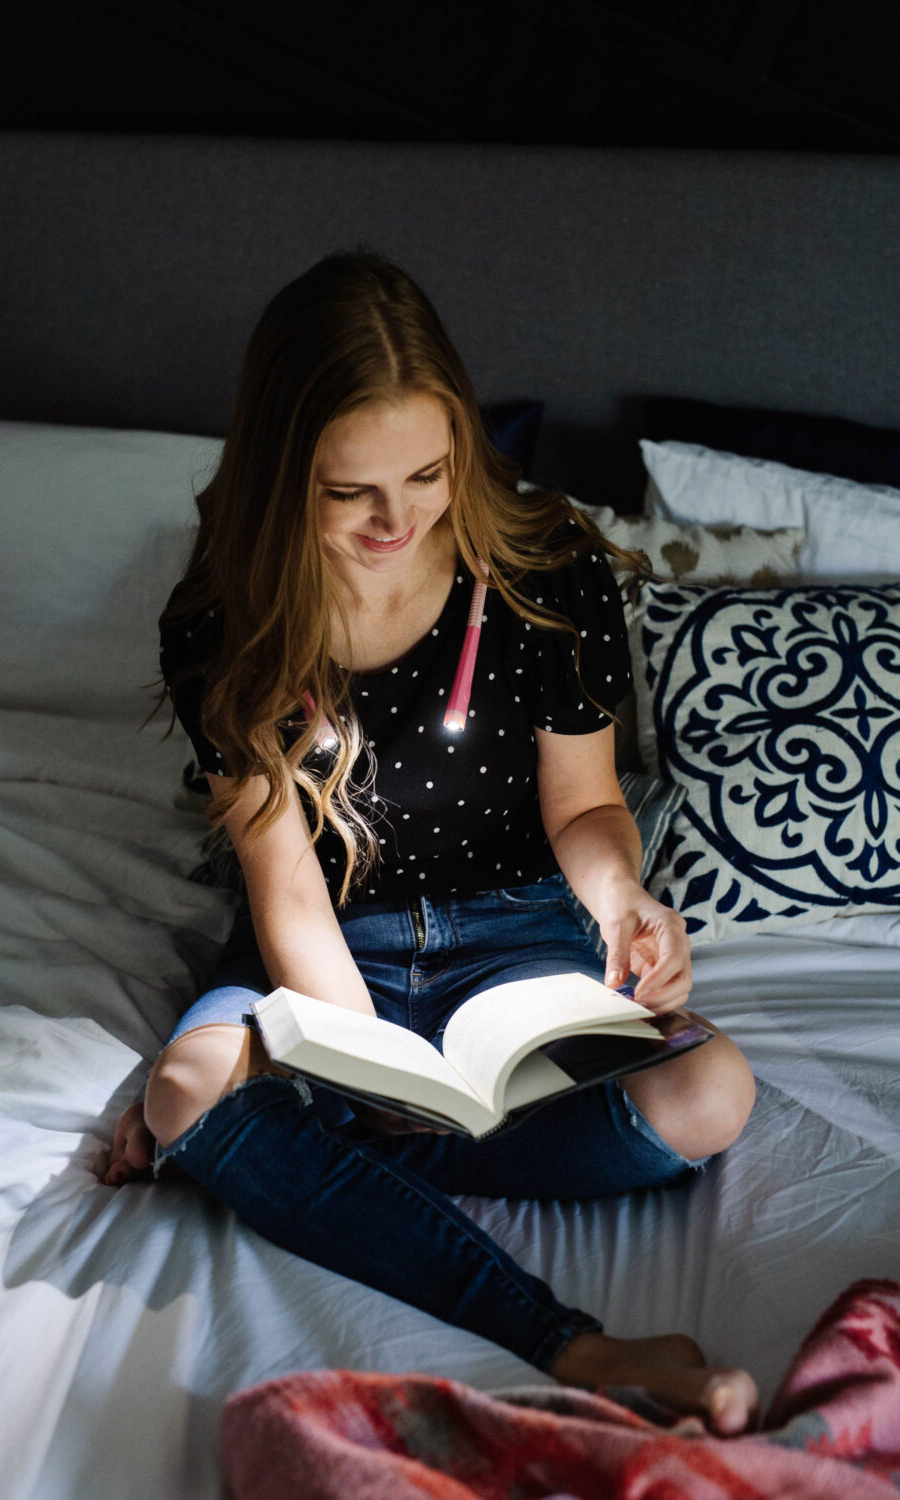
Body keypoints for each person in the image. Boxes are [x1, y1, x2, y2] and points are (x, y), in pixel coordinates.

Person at [100, 247, 758, 1434]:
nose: (397, 520)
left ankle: (304, 1164)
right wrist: (360, 1058)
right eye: (349, 491)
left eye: (427, 473)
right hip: (320, 947)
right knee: (190, 1087)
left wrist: (624, 906)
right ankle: (573, 1344)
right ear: (278, 471)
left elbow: (585, 807)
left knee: (712, 1093)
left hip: (515, 937)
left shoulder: (544, 569)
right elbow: (286, 889)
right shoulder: (221, 620)